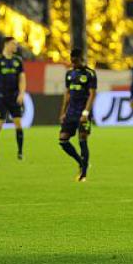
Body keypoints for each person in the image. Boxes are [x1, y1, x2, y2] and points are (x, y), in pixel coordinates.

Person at [58, 49, 97, 181]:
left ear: (82, 59)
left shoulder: (90, 73)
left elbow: (92, 94)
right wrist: (63, 112)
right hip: (71, 112)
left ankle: (83, 174)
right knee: (63, 140)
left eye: (76, 61)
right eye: (72, 61)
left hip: (83, 112)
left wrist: (86, 113)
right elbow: (67, 93)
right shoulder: (69, 74)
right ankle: (81, 162)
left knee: (82, 140)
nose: (73, 63)